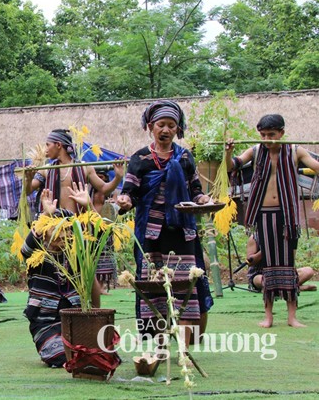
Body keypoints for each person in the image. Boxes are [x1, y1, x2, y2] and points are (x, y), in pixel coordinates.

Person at [116, 100, 213, 346]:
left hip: (182, 234)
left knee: (185, 287)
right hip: (151, 234)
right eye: (161, 125)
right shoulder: (140, 158)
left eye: (171, 125)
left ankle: (184, 348)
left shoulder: (185, 157)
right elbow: (130, 191)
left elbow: (195, 190)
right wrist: (125, 200)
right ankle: (159, 347)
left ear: (177, 129)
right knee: (155, 288)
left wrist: (202, 198)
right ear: (151, 126)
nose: (166, 130)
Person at [226, 114, 319, 327]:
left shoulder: (295, 150)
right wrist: (229, 152)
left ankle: (291, 316)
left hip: (287, 215)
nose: (267, 139)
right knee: (268, 265)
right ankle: (268, 316)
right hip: (264, 212)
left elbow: (315, 166)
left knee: (288, 265)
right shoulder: (257, 151)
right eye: (264, 135)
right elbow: (233, 166)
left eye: (272, 135)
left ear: (282, 133)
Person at [20, 185, 91, 367]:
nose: (64, 234)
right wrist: (45, 216)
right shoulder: (38, 256)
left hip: (75, 321)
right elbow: (25, 249)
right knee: (60, 355)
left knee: (100, 351)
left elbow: (95, 240)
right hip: (45, 323)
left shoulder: (76, 255)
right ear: (45, 232)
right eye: (57, 228)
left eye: (67, 229)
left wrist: (87, 208)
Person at [26, 128, 124, 214]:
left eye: (48, 145)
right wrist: (29, 180)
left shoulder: (84, 167)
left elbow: (103, 188)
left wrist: (118, 177)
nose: (46, 149)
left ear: (58, 145)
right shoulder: (46, 170)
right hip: (53, 226)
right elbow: (27, 191)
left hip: (78, 225)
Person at [246, 235, 316, 292]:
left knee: (308, 271)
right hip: (260, 274)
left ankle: (281, 288)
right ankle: (296, 288)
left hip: (281, 273)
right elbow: (250, 262)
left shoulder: (285, 236)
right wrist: (265, 250)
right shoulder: (254, 238)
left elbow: (291, 260)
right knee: (261, 280)